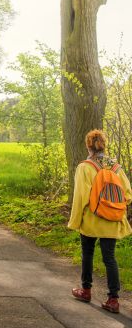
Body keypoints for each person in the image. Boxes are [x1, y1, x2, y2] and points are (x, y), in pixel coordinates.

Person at [68, 129, 132, 314]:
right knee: (109, 258)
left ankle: (86, 290)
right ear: (104, 144)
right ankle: (113, 300)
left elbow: (81, 197)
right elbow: (127, 194)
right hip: (112, 220)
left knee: (87, 254)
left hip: (91, 219)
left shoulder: (85, 167)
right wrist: (114, 208)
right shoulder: (115, 167)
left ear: (88, 146)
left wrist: (76, 220)